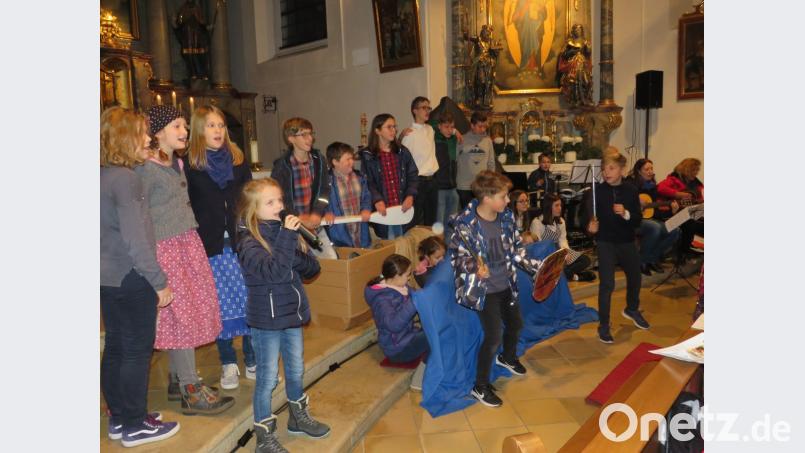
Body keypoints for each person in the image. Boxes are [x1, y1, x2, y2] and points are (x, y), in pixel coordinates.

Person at [138, 105, 233, 415]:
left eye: (184, 126)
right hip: (166, 249)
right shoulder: (145, 168)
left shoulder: (177, 163)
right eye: (177, 126)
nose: (184, 132)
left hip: (186, 243)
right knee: (179, 315)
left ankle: (180, 380)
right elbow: (142, 216)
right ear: (158, 131)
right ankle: (190, 387)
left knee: (188, 311)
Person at [100, 107, 180, 447]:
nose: (148, 139)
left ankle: (120, 418)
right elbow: (137, 238)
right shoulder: (126, 178)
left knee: (117, 346)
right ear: (125, 138)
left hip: (106, 276)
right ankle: (135, 426)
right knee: (135, 350)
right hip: (132, 275)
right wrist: (159, 281)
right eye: (142, 133)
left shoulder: (100, 174)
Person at [236, 178, 330, 453]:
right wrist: (288, 237)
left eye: (279, 200)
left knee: (296, 369)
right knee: (267, 378)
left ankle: (298, 419)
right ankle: (264, 438)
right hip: (267, 321)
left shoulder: (282, 231)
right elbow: (274, 272)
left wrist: (295, 242)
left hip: (291, 314)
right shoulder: (248, 243)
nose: (279, 206)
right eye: (270, 202)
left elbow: (312, 269)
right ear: (254, 209)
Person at [449, 170, 543, 408]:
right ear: (487, 198)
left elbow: (516, 252)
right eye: (504, 196)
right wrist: (473, 266)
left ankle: (507, 357)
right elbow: (457, 259)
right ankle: (480, 386)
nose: (508, 200)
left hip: (505, 283)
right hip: (484, 289)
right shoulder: (465, 224)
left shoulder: (507, 218)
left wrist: (538, 268)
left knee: (516, 324)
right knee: (493, 336)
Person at [183, 105, 255, 390]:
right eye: (211, 125)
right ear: (199, 130)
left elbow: (250, 200)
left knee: (249, 300)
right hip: (211, 245)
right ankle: (228, 362)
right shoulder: (189, 166)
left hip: (241, 242)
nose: (217, 131)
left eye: (221, 125)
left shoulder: (238, 161)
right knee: (221, 305)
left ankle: (251, 357)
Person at [586, 151, 649, 344]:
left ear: (621, 170)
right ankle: (604, 325)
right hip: (605, 241)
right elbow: (586, 220)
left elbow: (638, 219)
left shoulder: (630, 190)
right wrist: (590, 227)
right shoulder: (596, 192)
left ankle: (631, 309)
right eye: (604, 168)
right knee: (607, 284)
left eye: (611, 168)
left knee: (635, 277)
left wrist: (626, 213)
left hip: (626, 240)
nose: (606, 172)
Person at [271, 117, 337, 259]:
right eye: (303, 135)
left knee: (332, 260)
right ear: (291, 139)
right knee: (302, 266)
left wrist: (317, 213)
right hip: (295, 227)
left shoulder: (319, 159)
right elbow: (279, 198)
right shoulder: (281, 166)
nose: (309, 139)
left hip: (315, 223)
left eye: (310, 133)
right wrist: (298, 217)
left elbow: (324, 191)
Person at [365, 254, 430, 390]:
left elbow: (417, 298)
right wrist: (413, 303)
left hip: (407, 337)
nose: (409, 278)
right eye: (407, 275)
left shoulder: (402, 286)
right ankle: (419, 379)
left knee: (437, 327)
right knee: (434, 335)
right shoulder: (382, 300)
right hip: (397, 350)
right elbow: (393, 325)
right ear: (395, 276)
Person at [360, 113, 418, 239]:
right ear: (378, 130)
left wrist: (410, 195)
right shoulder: (368, 155)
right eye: (389, 127)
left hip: (402, 208)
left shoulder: (402, 151)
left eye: (394, 127)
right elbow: (368, 182)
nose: (394, 130)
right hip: (385, 211)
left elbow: (413, 175)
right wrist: (377, 199)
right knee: (390, 247)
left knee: (404, 246)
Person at [625, 158, 681, 276]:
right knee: (655, 227)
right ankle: (642, 261)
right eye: (647, 169)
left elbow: (655, 212)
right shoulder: (629, 183)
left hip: (648, 220)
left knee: (675, 230)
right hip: (631, 220)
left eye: (651, 168)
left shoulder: (652, 187)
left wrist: (672, 211)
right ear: (639, 171)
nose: (650, 171)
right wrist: (635, 198)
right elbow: (622, 196)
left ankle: (651, 258)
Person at [531, 193, 596, 282]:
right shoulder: (537, 222)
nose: (560, 208)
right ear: (549, 207)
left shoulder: (561, 221)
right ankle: (575, 276)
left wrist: (565, 253)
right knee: (553, 268)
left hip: (560, 252)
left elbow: (563, 240)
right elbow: (538, 246)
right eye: (556, 206)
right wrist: (556, 256)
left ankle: (563, 275)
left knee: (586, 260)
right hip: (547, 257)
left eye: (560, 205)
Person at [324, 141, 372, 248]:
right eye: (348, 159)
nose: (352, 162)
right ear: (335, 162)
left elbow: (366, 196)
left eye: (352, 158)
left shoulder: (360, 177)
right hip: (339, 235)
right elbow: (319, 201)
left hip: (360, 231)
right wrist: (326, 213)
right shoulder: (326, 181)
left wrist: (366, 209)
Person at [401, 96, 439, 227]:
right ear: (415, 111)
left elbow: (446, 126)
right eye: (424, 107)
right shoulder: (409, 134)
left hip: (433, 180)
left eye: (429, 108)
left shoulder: (430, 130)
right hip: (418, 181)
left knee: (432, 218)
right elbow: (403, 160)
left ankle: (431, 246)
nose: (427, 110)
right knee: (416, 218)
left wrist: (455, 131)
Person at [657, 157, 704, 250]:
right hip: (672, 215)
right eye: (694, 170)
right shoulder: (673, 179)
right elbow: (660, 188)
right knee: (690, 223)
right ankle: (684, 252)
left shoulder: (696, 183)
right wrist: (679, 194)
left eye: (697, 170)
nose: (696, 173)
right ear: (687, 169)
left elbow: (702, 195)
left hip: (690, 215)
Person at [457, 112, 496, 209]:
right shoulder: (462, 139)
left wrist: (490, 182)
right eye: (480, 126)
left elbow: (491, 163)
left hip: (481, 186)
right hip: (465, 186)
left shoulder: (487, 141)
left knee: (481, 215)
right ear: (472, 125)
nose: (483, 129)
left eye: (484, 126)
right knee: (467, 216)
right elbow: (455, 159)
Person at [432, 111, 460, 228]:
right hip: (439, 188)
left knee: (451, 222)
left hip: (453, 187)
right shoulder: (434, 138)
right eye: (446, 127)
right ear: (439, 127)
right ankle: (439, 246)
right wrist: (454, 130)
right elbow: (430, 124)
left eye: (452, 127)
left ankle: (450, 245)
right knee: (439, 222)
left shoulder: (453, 139)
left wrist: (454, 131)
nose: (449, 130)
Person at [556, 23, 593, 107]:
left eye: (579, 29)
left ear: (582, 31)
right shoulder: (569, 43)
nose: (578, 31)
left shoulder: (585, 42)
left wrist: (588, 48)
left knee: (586, 80)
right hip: (572, 66)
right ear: (573, 31)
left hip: (582, 66)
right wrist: (573, 52)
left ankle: (584, 98)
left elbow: (588, 54)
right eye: (576, 30)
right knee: (574, 78)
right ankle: (576, 99)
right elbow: (564, 55)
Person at [173, 0, 210, 81]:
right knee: (189, 55)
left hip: (198, 36)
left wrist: (204, 25)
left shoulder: (197, 8)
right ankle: (192, 73)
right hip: (188, 36)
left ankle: (202, 73)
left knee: (200, 55)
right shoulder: (184, 8)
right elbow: (179, 21)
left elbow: (202, 21)